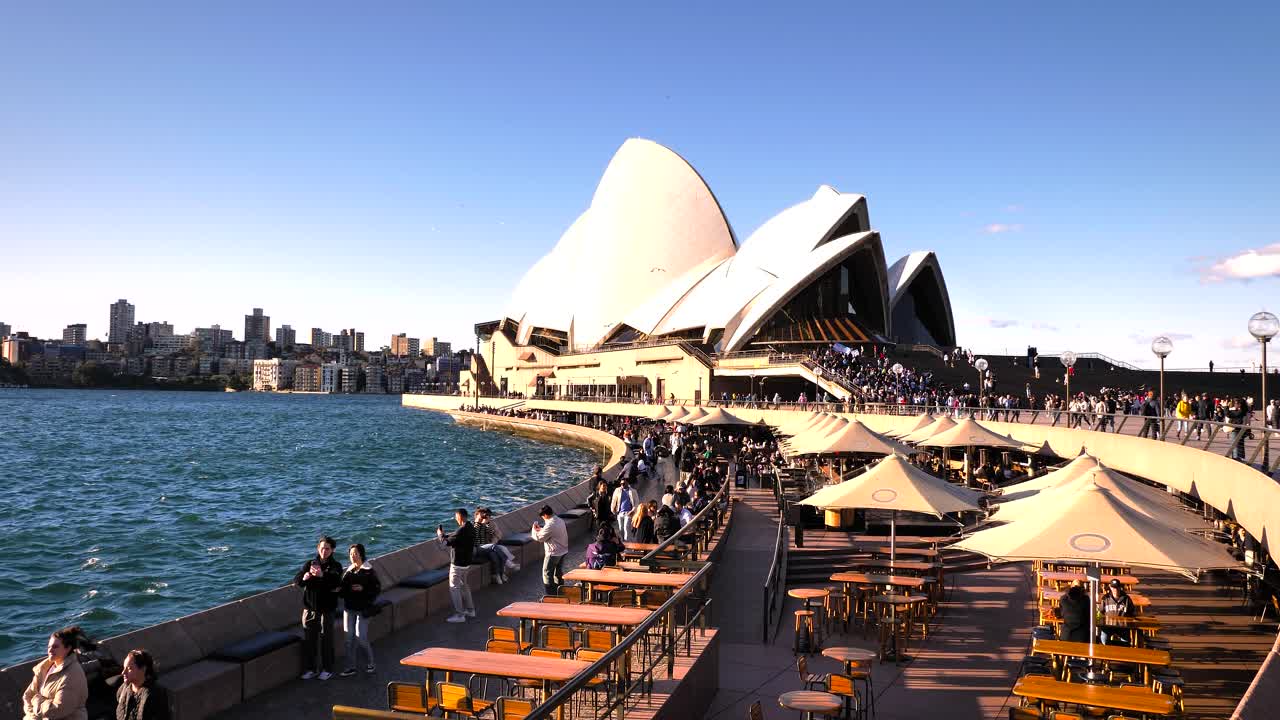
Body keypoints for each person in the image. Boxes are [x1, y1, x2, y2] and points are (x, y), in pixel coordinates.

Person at [293, 536, 342, 680]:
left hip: (327, 610)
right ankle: (311, 668)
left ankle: (327, 668)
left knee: (326, 639)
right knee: (310, 640)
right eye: (322, 548)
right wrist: (305, 577)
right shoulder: (310, 563)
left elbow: (335, 583)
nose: (324, 551)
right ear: (317, 548)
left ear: (332, 550)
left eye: (327, 548)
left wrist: (322, 575)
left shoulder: (335, 566)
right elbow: (297, 580)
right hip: (309, 609)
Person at [23, 625, 91, 720]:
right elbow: (27, 696)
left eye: (55, 647)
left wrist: (37, 700)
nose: (50, 650)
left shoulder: (72, 674)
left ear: (67, 648)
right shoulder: (43, 668)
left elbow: (57, 709)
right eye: (49, 647)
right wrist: (33, 715)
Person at [338, 543, 381, 676]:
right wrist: (340, 590)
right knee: (348, 639)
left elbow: (376, 589)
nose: (353, 556)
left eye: (355, 553)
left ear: (361, 554)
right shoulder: (349, 572)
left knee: (361, 637)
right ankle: (350, 667)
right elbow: (342, 591)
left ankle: (371, 663)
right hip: (349, 608)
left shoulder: (369, 571)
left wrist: (363, 589)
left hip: (364, 609)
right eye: (351, 554)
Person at [438, 508, 477, 623]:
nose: (455, 519)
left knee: (454, 588)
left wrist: (440, 535)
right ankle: (471, 610)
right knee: (465, 586)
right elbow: (454, 537)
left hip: (457, 565)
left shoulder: (461, 530)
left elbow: (443, 545)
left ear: (460, 517)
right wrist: (446, 535)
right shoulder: (470, 527)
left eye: (456, 517)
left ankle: (460, 615)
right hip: (467, 563)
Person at [116, 649, 169, 720]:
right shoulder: (123, 689)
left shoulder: (155, 694)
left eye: (129, 668)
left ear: (143, 669)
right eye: (124, 668)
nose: (123, 672)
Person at [532, 505, 569, 595]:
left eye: (542, 517)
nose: (543, 519)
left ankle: (551, 596)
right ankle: (560, 592)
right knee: (558, 573)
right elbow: (551, 532)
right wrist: (541, 529)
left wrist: (534, 530)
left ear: (545, 515)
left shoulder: (550, 524)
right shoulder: (560, 520)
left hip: (553, 553)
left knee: (547, 574)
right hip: (563, 550)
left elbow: (539, 538)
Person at [472, 507, 508, 585]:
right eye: (481, 515)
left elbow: (491, 533)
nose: (483, 517)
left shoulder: (483, 525)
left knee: (494, 555)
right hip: (478, 548)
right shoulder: (472, 525)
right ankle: (505, 559)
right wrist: (477, 523)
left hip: (486, 547)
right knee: (493, 547)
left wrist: (486, 523)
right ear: (476, 515)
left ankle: (498, 575)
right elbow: (474, 536)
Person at [611, 478, 639, 543]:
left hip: (628, 513)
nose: (622, 485)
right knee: (621, 529)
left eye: (624, 483)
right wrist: (613, 510)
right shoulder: (617, 490)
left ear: (627, 483)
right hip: (620, 513)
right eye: (621, 483)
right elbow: (614, 500)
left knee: (626, 527)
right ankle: (622, 542)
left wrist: (633, 510)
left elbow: (636, 502)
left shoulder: (633, 491)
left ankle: (627, 543)